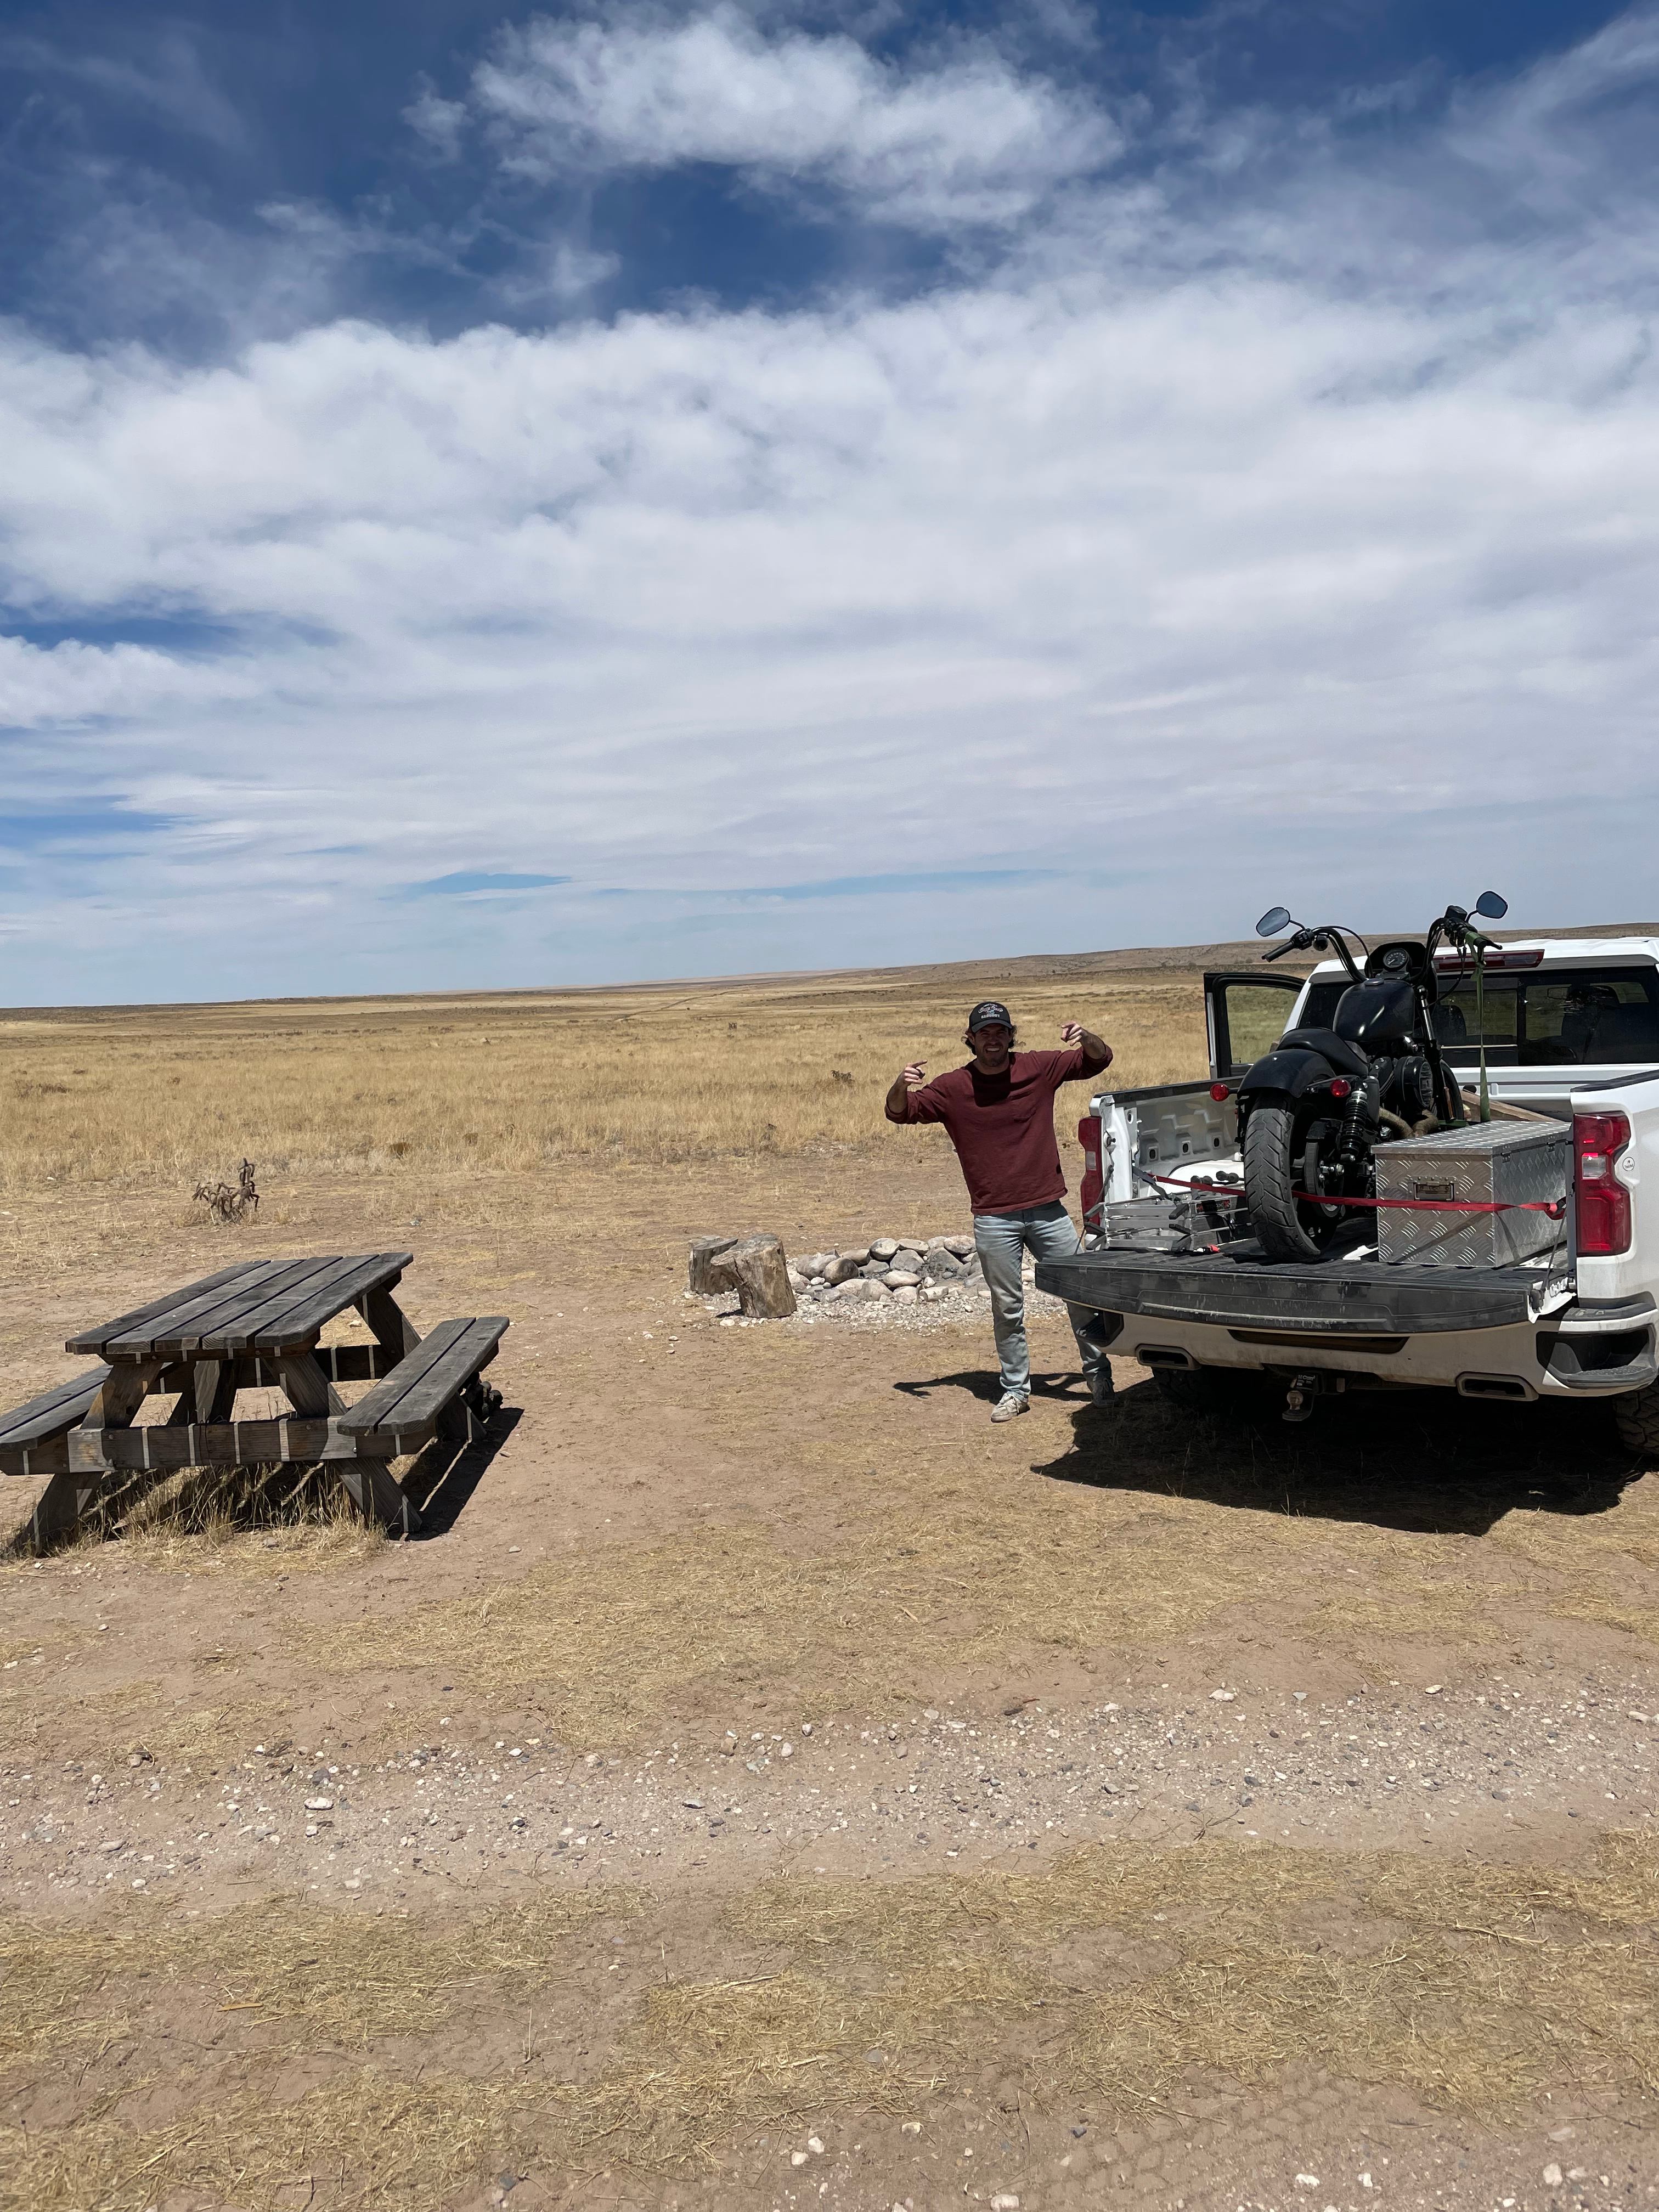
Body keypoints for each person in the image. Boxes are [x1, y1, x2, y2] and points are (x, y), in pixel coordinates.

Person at [885, 999, 1115, 1423]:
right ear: (971, 1039)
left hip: (1048, 1210)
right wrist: (901, 1083)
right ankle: (1015, 1391)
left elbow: (1098, 1060)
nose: (993, 1039)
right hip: (994, 1218)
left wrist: (1087, 1038)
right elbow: (900, 1112)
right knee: (1008, 1309)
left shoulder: (1038, 1068)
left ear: (1011, 1036)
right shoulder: (953, 1087)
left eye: (1000, 1032)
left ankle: (1099, 1377)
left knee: (1080, 1294)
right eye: (984, 1033)